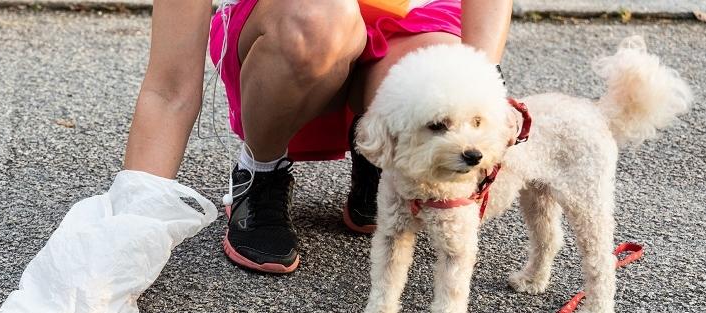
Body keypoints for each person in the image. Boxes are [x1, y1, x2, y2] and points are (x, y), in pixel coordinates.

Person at [123, 0, 515, 274]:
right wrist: (125, 233)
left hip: (412, 18)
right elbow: (169, 90)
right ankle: (261, 170)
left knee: (441, 73)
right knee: (316, 20)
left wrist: (484, 86)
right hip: (291, 26)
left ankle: (379, 154)